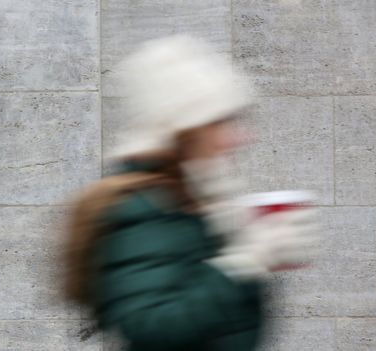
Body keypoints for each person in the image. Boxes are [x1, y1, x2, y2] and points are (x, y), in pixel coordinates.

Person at [63, 35, 318, 351]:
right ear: (184, 130)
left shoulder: (191, 197)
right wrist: (243, 263)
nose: (241, 137)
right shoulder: (142, 209)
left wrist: (249, 244)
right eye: (220, 122)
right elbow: (151, 327)